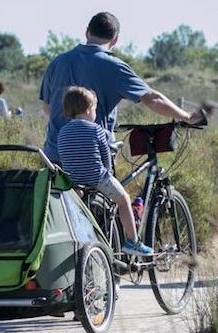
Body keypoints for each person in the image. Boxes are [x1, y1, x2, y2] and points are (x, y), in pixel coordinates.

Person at [39, 11, 206, 164]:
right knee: (110, 195)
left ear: (87, 32)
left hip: (54, 154)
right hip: (92, 155)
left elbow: (47, 110)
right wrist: (186, 116)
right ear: (115, 40)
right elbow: (152, 99)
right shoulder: (114, 67)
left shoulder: (57, 62)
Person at [57, 86, 151, 256]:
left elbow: (64, 156)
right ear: (88, 109)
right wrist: (109, 173)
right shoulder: (96, 129)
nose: (95, 113)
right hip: (97, 178)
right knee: (123, 199)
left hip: (74, 181)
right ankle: (132, 241)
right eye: (94, 109)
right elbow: (105, 157)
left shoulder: (62, 132)